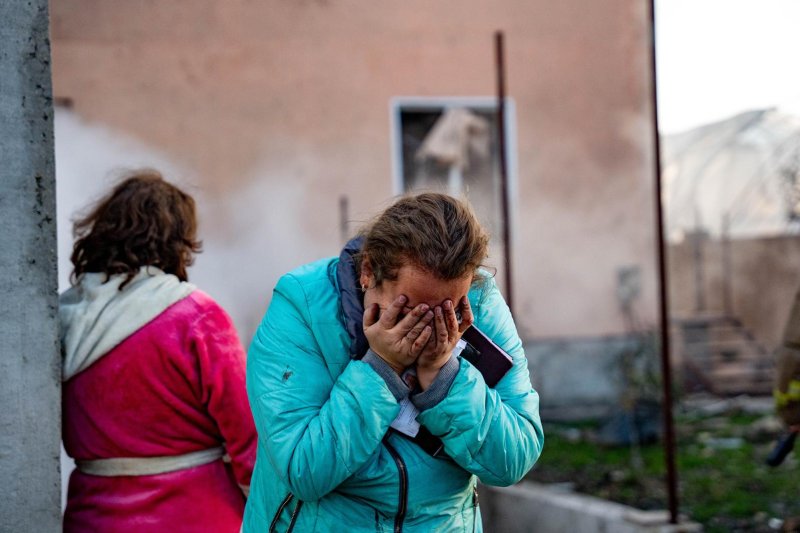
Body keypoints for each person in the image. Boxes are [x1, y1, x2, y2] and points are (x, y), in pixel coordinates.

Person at [244, 192, 544, 532]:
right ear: (369, 270)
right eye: (410, 311)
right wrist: (381, 369)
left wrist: (446, 378)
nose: (429, 329)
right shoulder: (303, 305)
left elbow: (514, 459)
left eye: (446, 311)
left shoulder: (479, 301)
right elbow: (304, 469)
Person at [60, 171, 257, 532]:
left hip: (92, 520)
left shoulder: (62, 318)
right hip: (196, 516)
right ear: (176, 240)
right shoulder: (196, 316)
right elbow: (248, 435)